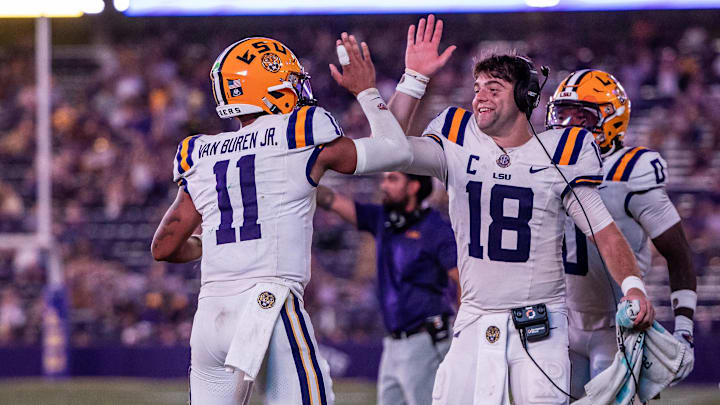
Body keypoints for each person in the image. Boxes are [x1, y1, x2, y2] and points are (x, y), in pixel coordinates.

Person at [384, 15, 657, 404]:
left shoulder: (561, 153)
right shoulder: (459, 137)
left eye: (494, 89)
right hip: (474, 318)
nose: (480, 96)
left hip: (539, 323)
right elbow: (389, 150)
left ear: (525, 97)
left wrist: (633, 286)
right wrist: (413, 78)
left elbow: (603, 230)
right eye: (478, 88)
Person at [151, 35, 413, 405]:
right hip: (268, 305)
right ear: (268, 87)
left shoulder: (201, 152)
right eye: (289, 80)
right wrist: (368, 91)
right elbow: (397, 150)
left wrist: (210, 241)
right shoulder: (298, 130)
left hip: (210, 318)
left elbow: (163, 247)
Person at [545, 69, 697, 399]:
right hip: (561, 327)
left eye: (581, 116)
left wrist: (684, 327)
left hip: (617, 329)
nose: (567, 126)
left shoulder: (631, 170)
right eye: (562, 114)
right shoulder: (544, 167)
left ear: (611, 120)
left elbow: (678, 252)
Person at [316, 172, 458, 405]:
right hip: (392, 343)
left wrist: (463, 334)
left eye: (392, 179)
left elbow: (462, 280)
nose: (383, 185)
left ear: (413, 186)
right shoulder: (384, 219)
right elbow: (331, 200)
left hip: (426, 340)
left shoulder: (435, 229)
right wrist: (304, 180)